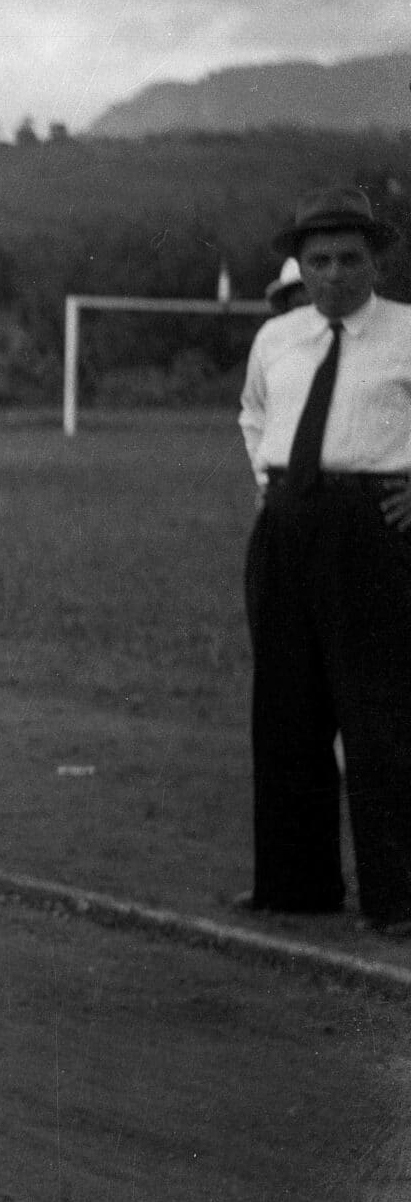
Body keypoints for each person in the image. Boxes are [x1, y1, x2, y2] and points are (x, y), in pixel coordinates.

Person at [233, 187, 411, 937]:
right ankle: (294, 885)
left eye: (349, 259)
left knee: (379, 712)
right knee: (285, 709)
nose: (333, 274)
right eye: (318, 261)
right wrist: (271, 485)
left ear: (376, 261)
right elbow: (252, 413)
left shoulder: (407, 333)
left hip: (373, 526)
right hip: (286, 525)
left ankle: (397, 896)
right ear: (299, 267)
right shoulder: (279, 338)